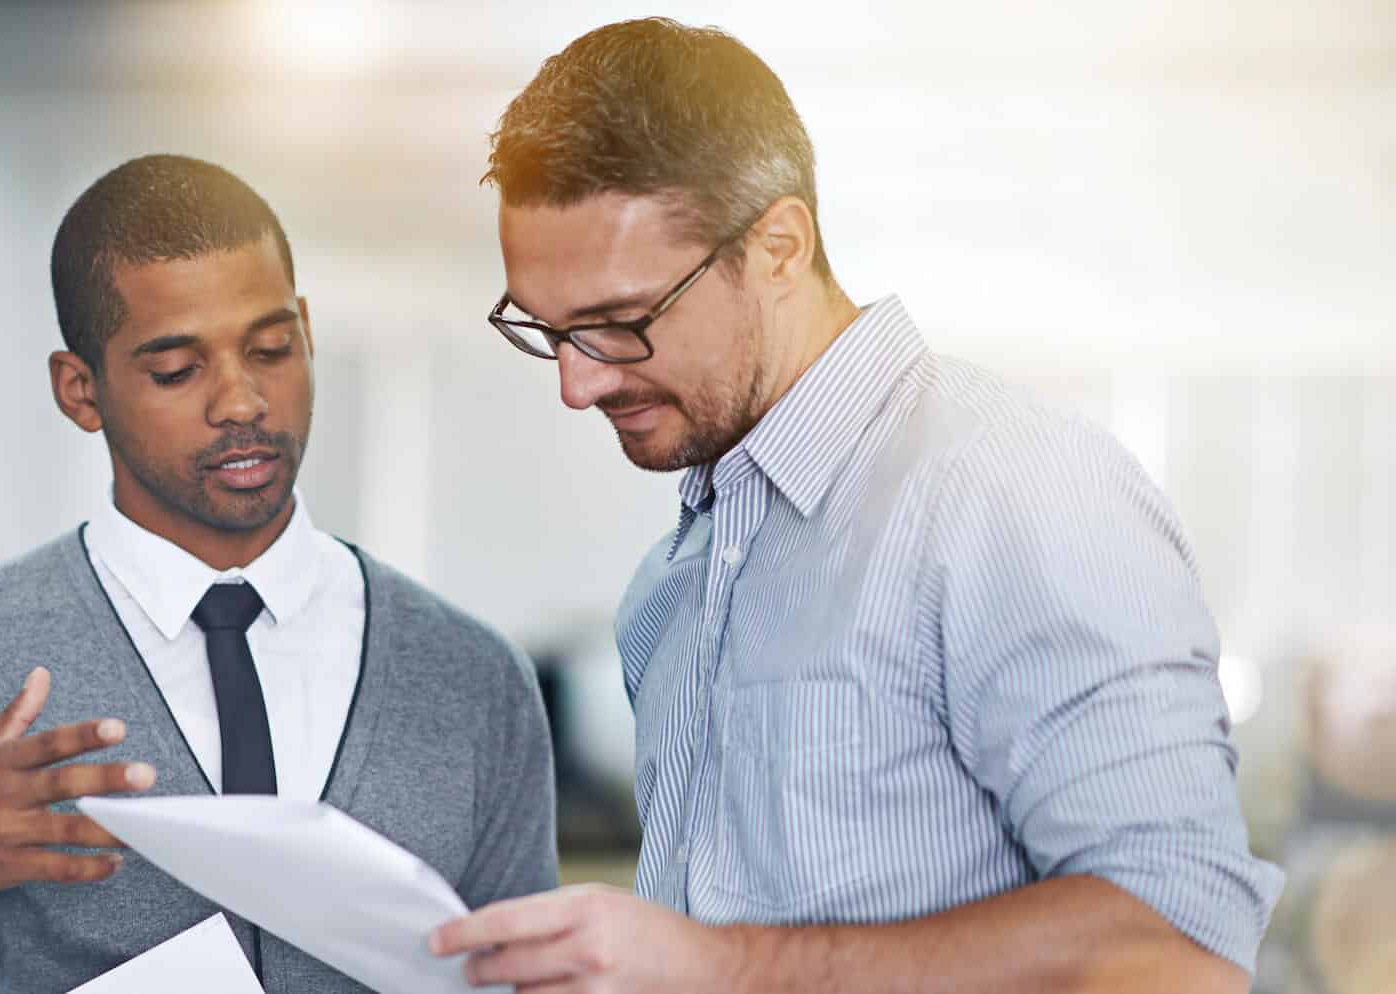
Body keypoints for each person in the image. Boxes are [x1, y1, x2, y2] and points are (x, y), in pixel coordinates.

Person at [431, 18, 1282, 994]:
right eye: (547, 330)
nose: (576, 386)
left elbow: (1178, 947)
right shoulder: (669, 588)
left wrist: (728, 965)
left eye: (619, 324)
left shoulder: (1010, 489)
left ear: (780, 247)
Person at [0, 154, 557, 993]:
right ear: (80, 390)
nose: (242, 403)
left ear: (307, 332)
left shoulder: (473, 679)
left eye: (272, 349)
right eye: (177, 370)